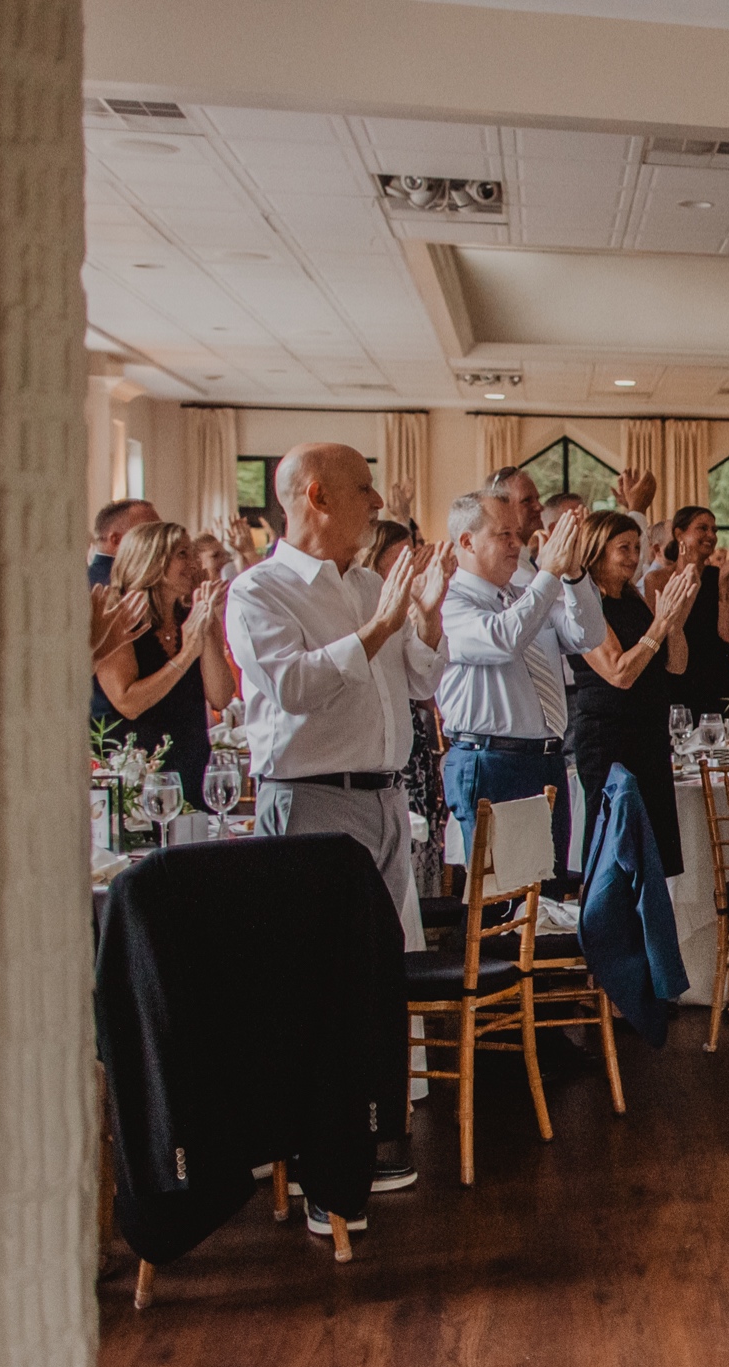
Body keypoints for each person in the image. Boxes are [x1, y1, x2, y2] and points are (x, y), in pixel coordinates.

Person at [224, 442, 454, 1210]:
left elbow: (418, 682)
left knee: (379, 981)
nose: (379, 500)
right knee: (318, 985)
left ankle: (373, 1133)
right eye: (365, 488)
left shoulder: (366, 584)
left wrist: (419, 620)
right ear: (317, 496)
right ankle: (319, 1168)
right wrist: (380, 626)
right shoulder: (260, 593)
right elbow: (292, 687)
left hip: (386, 797)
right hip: (314, 800)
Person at [436, 489, 601, 891]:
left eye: (517, 534)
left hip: (544, 760)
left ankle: (545, 957)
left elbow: (589, 633)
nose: (517, 544)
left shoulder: (523, 596)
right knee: (504, 900)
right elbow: (504, 640)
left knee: (549, 896)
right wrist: (546, 575)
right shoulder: (448, 600)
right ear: (466, 541)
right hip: (491, 761)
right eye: (503, 535)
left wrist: (573, 573)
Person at [565, 510, 699, 877]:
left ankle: (646, 931)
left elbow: (677, 665)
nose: (633, 556)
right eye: (623, 547)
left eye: (637, 547)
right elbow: (619, 672)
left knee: (652, 854)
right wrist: (660, 623)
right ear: (596, 552)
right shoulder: (584, 605)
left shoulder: (634, 598)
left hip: (649, 737)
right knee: (611, 851)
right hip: (609, 738)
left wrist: (674, 619)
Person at [92, 521, 237, 810]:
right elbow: (128, 702)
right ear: (151, 560)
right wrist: (185, 656)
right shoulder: (118, 619)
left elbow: (221, 696)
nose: (194, 564)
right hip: (135, 777)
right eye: (182, 554)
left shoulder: (190, 617)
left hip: (191, 765)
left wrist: (206, 624)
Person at [361, 521, 455, 902]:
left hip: (409, 738)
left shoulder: (402, 601)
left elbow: (422, 680)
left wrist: (428, 612)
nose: (412, 562)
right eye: (402, 555)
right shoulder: (370, 598)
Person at [642, 505, 729, 721]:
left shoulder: (720, 575)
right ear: (679, 534)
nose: (711, 535)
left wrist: (724, 585)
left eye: (714, 530)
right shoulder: (657, 579)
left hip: (717, 678)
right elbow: (658, 634)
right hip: (676, 677)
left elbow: (728, 634)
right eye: (702, 528)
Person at [88, 498, 160, 587]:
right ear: (116, 540)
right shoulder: (106, 587)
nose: (160, 540)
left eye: (161, 532)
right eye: (149, 533)